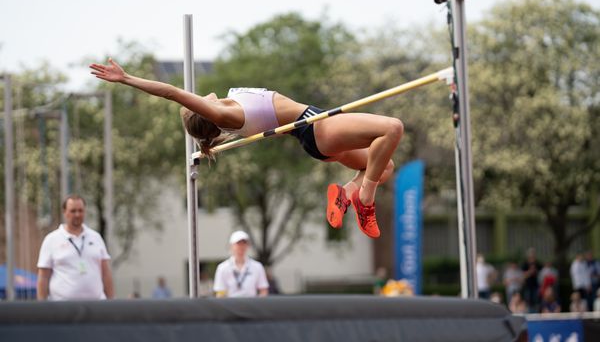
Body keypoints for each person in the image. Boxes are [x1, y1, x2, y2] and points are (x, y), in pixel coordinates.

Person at [90, 59, 405, 239]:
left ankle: (348, 192)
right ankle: (365, 200)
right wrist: (127, 78)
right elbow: (173, 92)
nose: (199, 94)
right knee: (392, 128)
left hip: (311, 134)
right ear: (203, 111)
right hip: (315, 126)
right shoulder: (226, 115)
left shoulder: (230, 102)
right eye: (196, 101)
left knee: (384, 166)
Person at [36, 195, 114, 300]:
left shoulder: (95, 237)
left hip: (96, 305)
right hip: (63, 307)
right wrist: (42, 306)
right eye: (73, 211)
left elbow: (105, 273)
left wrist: (111, 301)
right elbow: (43, 277)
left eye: (80, 210)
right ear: (64, 212)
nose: (77, 214)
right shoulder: (51, 239)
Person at [213, 231, 269, 297]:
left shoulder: (257, 266)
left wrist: (258, 305)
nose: (241, 246)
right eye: (238, 243)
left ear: (247, 246)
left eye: (244, 243)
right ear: (231, 246)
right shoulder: (222, 267)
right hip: (230, 305)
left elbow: (263, 290)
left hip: (251, 305)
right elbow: (220, 293)